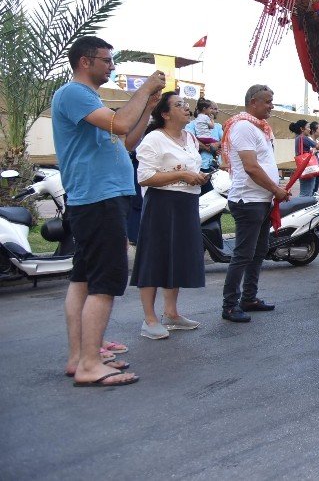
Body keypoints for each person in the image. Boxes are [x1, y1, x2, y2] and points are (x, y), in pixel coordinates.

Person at [52, 35, 165, 386]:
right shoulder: (73, 94)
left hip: (99, 197)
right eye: (106, 60)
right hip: (98, 198)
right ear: (85, 61)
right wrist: (144, 87)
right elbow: (119, 124)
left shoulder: (89, 99)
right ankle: (88, 365)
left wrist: (148, 104)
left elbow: (127, 140)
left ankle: (80, 357)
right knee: (105, 279)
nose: (112, 66)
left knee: (84, 278)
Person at [131, 91, 208, 339]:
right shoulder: (154, 139)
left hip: (187, 201)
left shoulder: (191, 138)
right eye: (179, 105)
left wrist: (197, 176)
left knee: (177, 257)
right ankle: (149, 319)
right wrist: (182, 175)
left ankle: (171, 314)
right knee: (154, 258)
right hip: (162, 203)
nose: (186, 108)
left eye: (186, 104)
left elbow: (190, 169)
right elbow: (144, 177)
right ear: (165, 114)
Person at [219, 84, 290, 323]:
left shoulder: (260, 129)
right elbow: (251, 167)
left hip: (260, 200)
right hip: (247, 200)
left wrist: (273, 192)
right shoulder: (243, 127)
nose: (272, 106)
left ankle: (248, 298)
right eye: (268, 101)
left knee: (258, 252)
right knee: (243, 254)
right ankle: (229, 305)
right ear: (253, 102)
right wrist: (276, 189)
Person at [185, 98, 223, 194]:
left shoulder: (217, 126)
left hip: (214, 168)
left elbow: (225, 141)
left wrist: (217, 144)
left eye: (216, 109)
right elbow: (190, 140)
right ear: (204, 109)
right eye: (213, 108)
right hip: (197, 168)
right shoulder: (191, 124)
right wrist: (209, 148)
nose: (216, 111)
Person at [291, 119, 319, 198]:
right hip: (307, 168)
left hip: (302, 168)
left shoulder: (298, 138)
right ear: (302, 129)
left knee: (305, 193)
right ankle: (300, 209)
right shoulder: (303, 138)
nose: (310, 129)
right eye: (308, 127)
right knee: (306, 194)